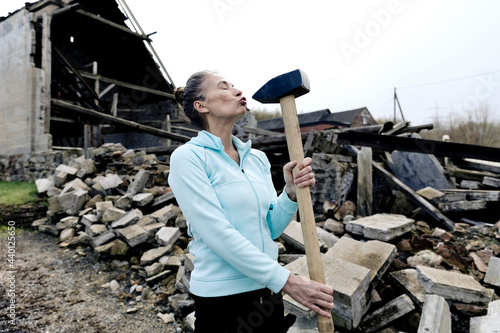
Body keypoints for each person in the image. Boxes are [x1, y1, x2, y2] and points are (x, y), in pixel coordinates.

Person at [168, 70, 334, 333]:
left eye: (235, 85)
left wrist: (290, 193)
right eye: (224, 87)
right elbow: (216, 233)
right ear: (201, 105)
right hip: (223, 301)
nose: (237, 91)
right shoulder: (188, 158)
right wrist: (287, 281)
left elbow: (271, 228)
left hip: (267, 295)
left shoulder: (257, 158)